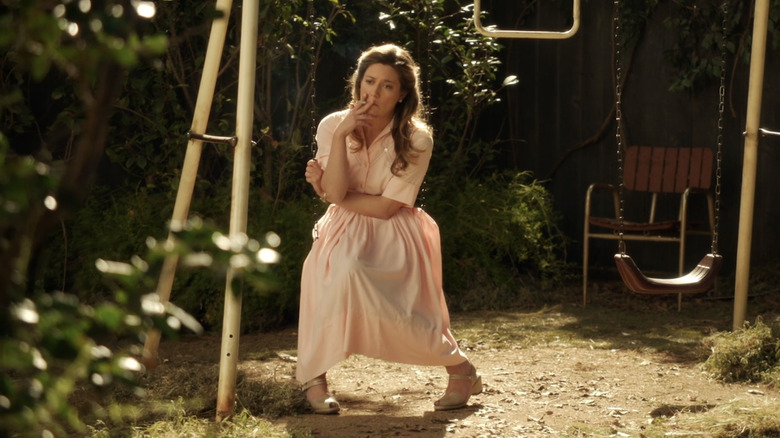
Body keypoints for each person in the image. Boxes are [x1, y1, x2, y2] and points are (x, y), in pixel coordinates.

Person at [298, 43, 481, 414]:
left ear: (402, 95)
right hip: (343, 230)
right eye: (369, 81)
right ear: (357, 83)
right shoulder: (333, 125)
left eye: (386, 86)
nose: (374, 93)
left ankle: (461, 370)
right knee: (333, 276)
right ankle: (314, 378)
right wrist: (339, 140)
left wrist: (329, 191)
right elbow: (333, 195)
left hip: (396, 231)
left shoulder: (417, 139)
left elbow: (383, 208)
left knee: (405, 312)